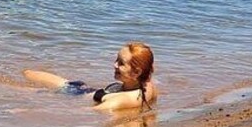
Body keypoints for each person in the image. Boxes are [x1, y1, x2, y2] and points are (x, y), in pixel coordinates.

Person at [22, 42, 158, 111]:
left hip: (71, 93)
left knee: (18, 85)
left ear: (137, 72)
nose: (114, 65)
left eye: (121, 63)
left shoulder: (120, 101)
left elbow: (84, 112)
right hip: (81, 88)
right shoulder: (147, 85)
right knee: (26, 73)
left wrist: (28, 111)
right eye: (117, 60)